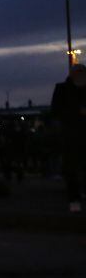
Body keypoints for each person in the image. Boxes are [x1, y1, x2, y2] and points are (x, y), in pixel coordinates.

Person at [51, 64, 86, 212]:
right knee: (71, 168)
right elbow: (55, 110)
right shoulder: (62, 89)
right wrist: (76, 112)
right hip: (71, 134)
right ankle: (74, 199)